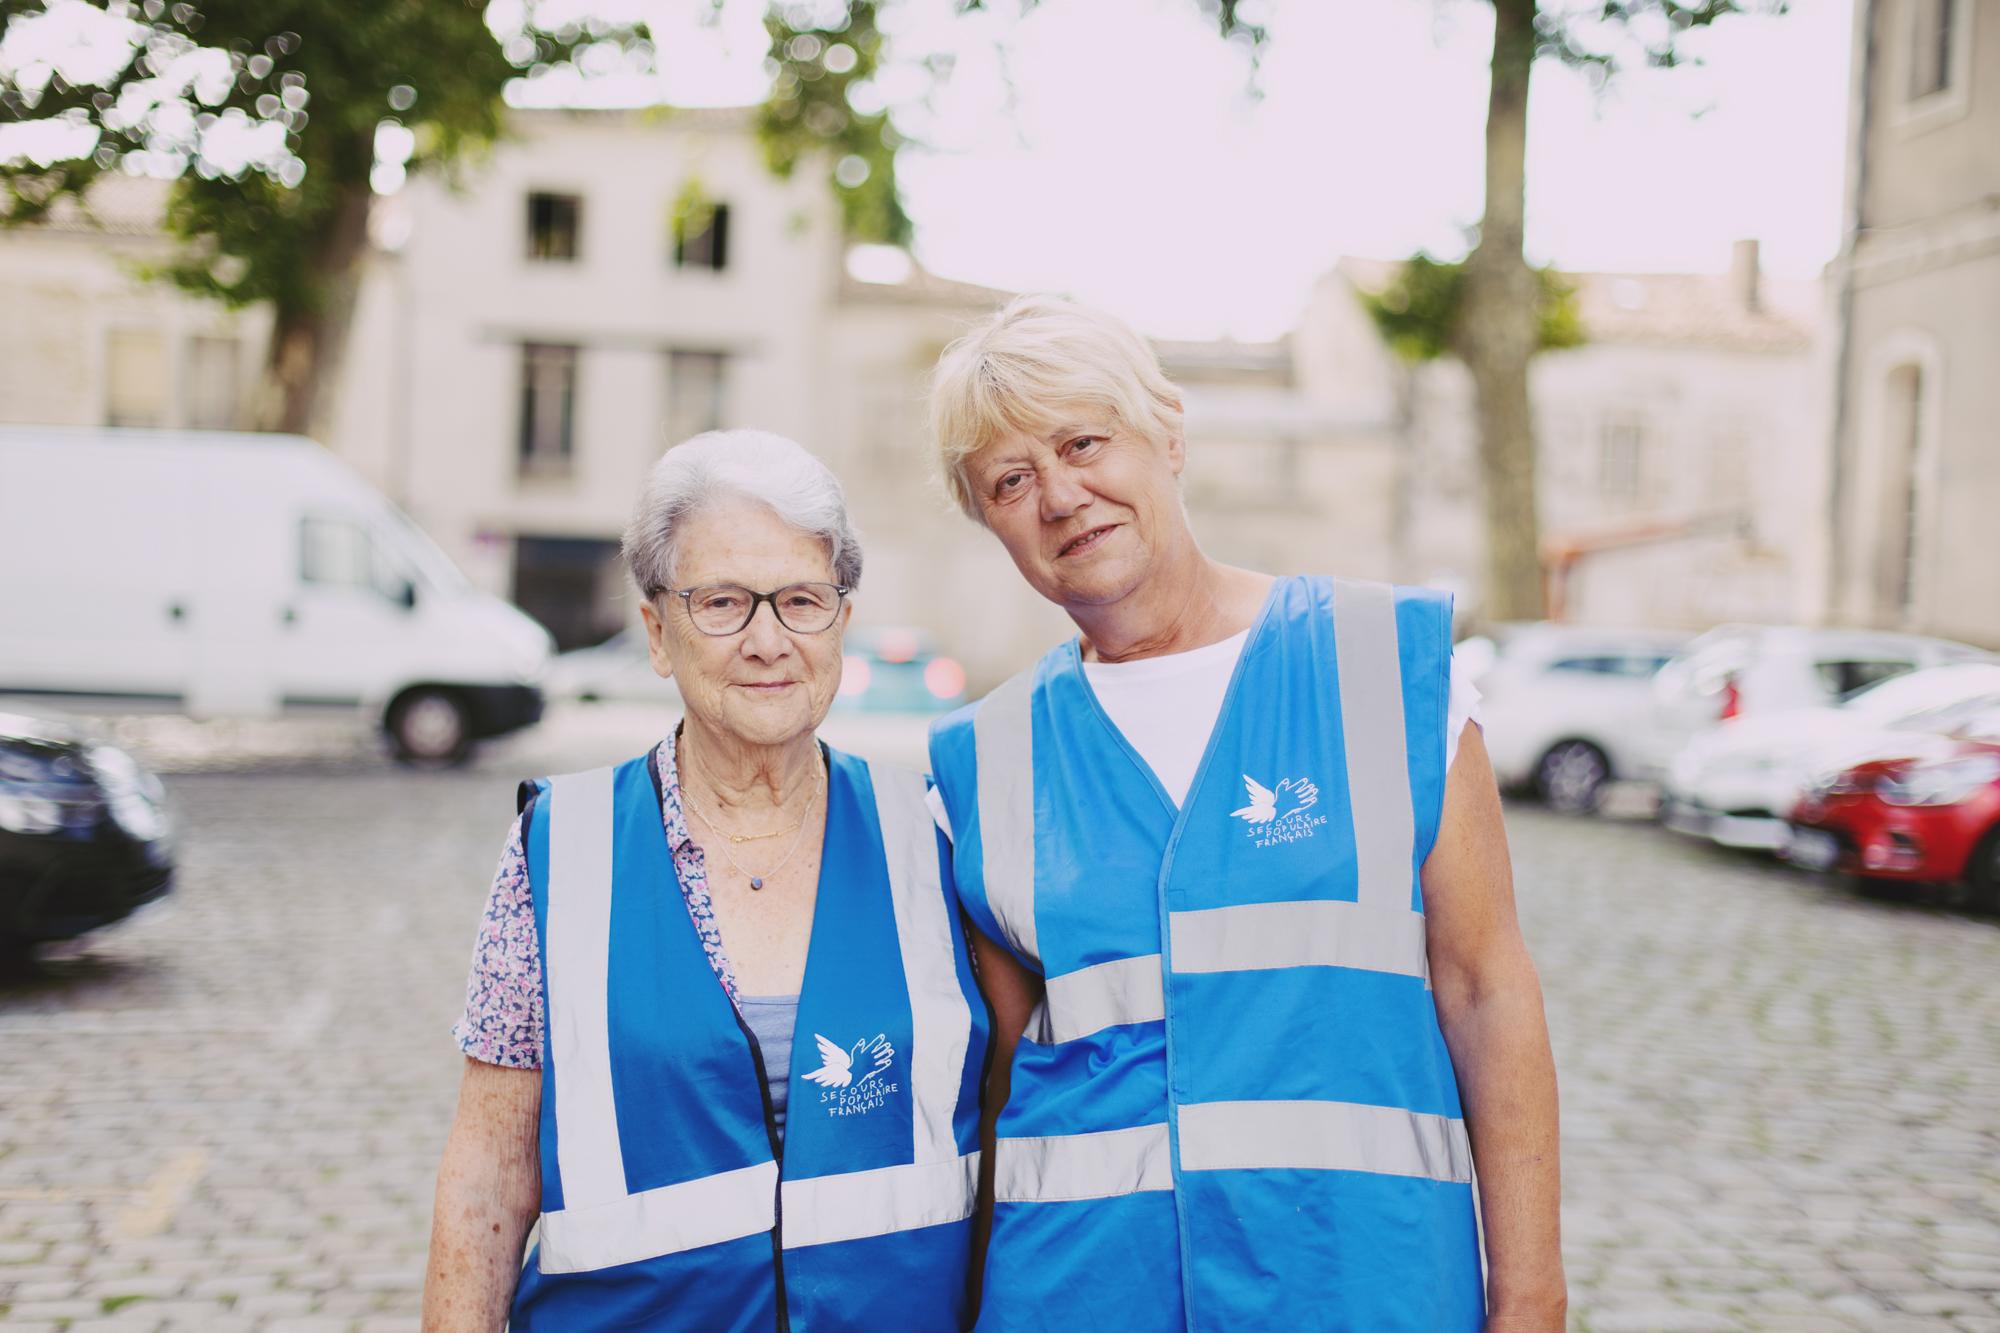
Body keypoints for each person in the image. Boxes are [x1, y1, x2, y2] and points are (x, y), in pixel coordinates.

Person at [923, 297, 1565, 1331]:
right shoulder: (977, 761)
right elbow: (999, 1078)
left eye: (1083, 442)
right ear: (988, 520)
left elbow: (1487, 987)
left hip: (1362, 1282)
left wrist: (1530, 1297)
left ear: (1165, 433)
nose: (1059, 496)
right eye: (1009, 480)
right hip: (1081, 1291)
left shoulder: (1384, 670)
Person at [422, 431, 990, 1332]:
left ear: (841, 623)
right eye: (723, 601)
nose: (767, 640)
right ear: (656, 631)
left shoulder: (939, 837)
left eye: (802, 599)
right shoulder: (556, 848)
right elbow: (490, 1169)